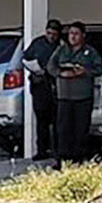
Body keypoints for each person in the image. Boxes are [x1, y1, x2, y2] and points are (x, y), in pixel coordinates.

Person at [46, 21, 102, 168]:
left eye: (76, 33)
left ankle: (79, 159)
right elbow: (50, 66)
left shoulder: (90, 52)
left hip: (82, 97)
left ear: (83, 35)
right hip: (64, 96)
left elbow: (99, 69)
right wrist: (61, 73)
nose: (73, 37)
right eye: (71, 33)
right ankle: (62, 160)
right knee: (63, 129)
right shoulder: (61, 51)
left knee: (81, 129)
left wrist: (84, 71)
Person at [23, 19, 63, 161]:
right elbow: (26, 58)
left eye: (54, 34)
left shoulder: (61, 46)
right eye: (49, 33)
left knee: (57, 120)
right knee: (41, 120)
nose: (51, 36)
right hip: (39, 85)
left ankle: (58, 150)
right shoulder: (37, 43)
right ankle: (41, 149)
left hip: (55, 86)